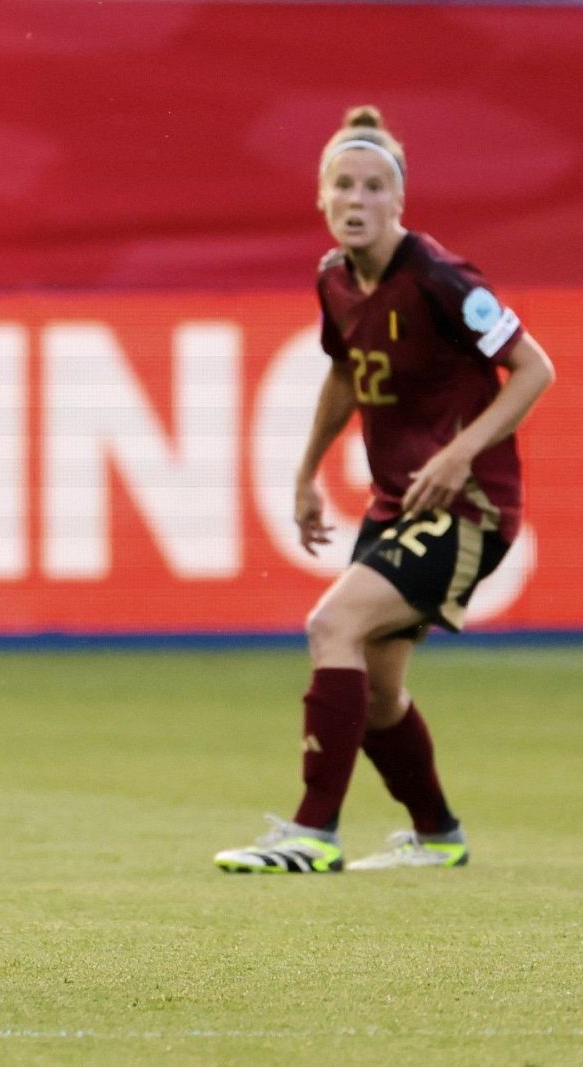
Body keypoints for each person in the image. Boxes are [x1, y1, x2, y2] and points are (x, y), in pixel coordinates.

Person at [215, 106, 555, 874]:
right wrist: (306, 470)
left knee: (330, 624)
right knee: (375, 695)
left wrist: (463, 453)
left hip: (469, 509)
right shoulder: (333, 280)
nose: (357, 199)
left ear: (398, 203)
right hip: (397, 506)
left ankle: (311, 831)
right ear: (323, 200)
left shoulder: (439, 277)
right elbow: (345, 372)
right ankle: (439, 835)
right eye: (344, 184)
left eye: (374, 186)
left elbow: (536, 367)